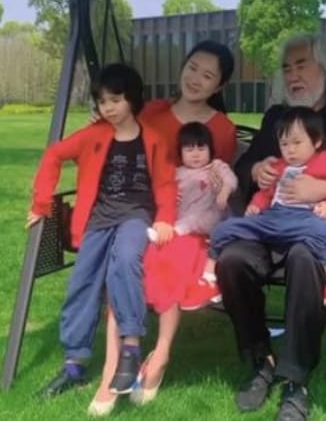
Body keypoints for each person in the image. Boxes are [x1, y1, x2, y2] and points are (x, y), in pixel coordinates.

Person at [217, 33, 326, 421]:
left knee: (303, 258)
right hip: (271, 226)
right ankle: (260, 359)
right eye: (287, 68)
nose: (293, 75)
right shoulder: (276, 119)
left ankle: (296, 380)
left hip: (325, 232)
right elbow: (244, 167)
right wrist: (256, 170)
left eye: (302, 65)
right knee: (231, 260)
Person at [92, 40, 238, 413]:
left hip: (191, 222)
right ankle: (112, 367)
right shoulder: (152, 111)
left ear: (219, 85)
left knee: (169, 259)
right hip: (143, 211)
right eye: (192, 68)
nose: (196, 79)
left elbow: (216, 182)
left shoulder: (222, 129)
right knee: (126, 261)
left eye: (208, 75)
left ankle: (160, 356)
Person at [29, 64, 176, 415]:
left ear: (132, 98)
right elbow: (53, 155)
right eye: (102, 101)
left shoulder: (153, 138)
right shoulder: (93, 135)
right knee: (83, 281)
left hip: (136, 216)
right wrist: (41, 204)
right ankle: (74, 364)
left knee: (125, 260)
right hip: (98, 218)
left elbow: (166, 183)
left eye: (116, 100)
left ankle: (130, 346)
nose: (108, 108)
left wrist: (165, 219)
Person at [200, 106, 326, 314]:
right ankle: (208, 278)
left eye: (297, 142)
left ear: (317, 142)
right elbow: (267, 193)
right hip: (273, 219)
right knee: (225, 228)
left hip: (304, 219)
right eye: (284, 144)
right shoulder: (278, 166)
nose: (290, 150)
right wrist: (256, 205)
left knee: (322, 230)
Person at [145, 121, 238, 313]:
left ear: (211, 150)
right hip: (185, 219)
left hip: (213, 217)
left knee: (198, 218)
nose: (196, 154)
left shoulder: (216, 167)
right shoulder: (177, 173)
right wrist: (172, 195)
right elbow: (162, 191)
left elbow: (231, 179)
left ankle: (175, 232)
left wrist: (225, 191)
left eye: (201, 149)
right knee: (172, 240)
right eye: (189, 149)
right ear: (180, 153)